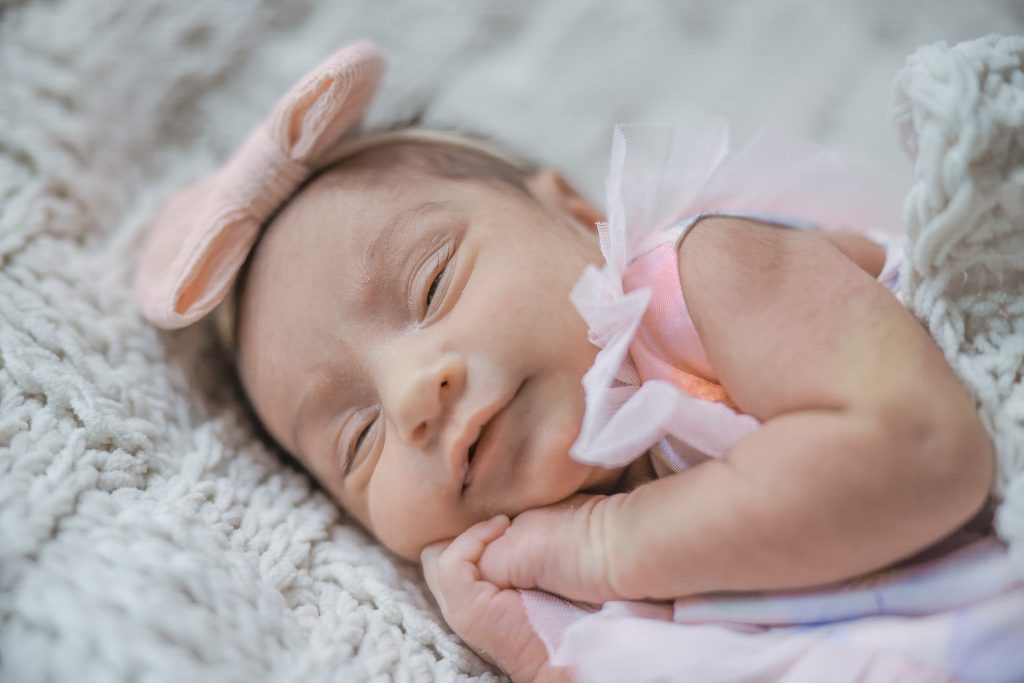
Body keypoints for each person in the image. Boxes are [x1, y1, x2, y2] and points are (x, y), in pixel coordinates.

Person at [134, 43, 1001, 682]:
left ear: (576, 212)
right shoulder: (549, 581)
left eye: (434, 282)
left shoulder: (707, 280)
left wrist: (605, 543)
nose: (410, 396)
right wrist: (526, 640)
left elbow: (922, 451)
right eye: (357, 440)